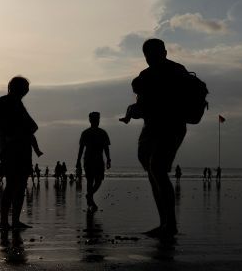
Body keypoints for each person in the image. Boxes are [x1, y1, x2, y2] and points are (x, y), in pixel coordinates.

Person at [120, 38, 189, 238]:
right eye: (147, 55)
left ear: (164, 52)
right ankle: (165, 223)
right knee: (153, 171)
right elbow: (143, 105)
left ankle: (170, 225)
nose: (150, 58)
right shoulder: (146, 75)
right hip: (151, 128)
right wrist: (136, 111)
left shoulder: (175, 71)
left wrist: (143, 108)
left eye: (153, 54)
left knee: (157, 169)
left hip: (171, 127)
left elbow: (166, 103)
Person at [0, 76, 43, 230]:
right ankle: (7, 221)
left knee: (18, 185)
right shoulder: (10, 102)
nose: (27, 91)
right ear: (18, 88)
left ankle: (11, 221)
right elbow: (29, 126)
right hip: (14, 148)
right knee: (15, 185)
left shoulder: (6, 101)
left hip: (12, 147)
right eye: (26, 88)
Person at [76, 112, 111, 212]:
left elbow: (106, 148)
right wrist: (78, 161)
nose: (97, 121)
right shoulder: (88, 133)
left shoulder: (101, 133)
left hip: (93, 160)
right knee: (92, 181)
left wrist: (108, 159)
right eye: (96, 119)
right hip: (91, 160)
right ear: (91, 120)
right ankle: (90, 200)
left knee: (96, 181)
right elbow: (81, 148)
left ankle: (89, 196)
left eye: (98, 119)